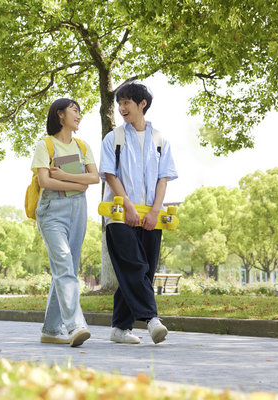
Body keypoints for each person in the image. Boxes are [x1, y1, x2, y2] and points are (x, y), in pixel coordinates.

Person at [99, 81, 178, 344]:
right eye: (119, 103)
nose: (122, 108)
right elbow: (109, 175)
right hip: (120, 215)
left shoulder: (160, 140)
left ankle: (120, 328)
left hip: (151, 217)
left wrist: (156, 211)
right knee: (134, 265)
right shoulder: (114, 139)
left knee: (142, 272)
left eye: (126, 103)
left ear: (142, 104)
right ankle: (152, 319)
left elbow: (163, 179)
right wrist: (128, 206)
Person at [31, 98, 100, 347]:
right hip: (52, 212)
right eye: (74, 110)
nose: (79, 115)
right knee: (64, 264)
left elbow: (94, 178)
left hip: (78, 211)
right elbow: (45, 182)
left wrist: (67, 176)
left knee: (66, 268)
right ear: (60, 115)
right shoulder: (45, 145)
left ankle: (50, 329)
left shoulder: (83, 147)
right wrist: (78, 183)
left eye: (80, 112)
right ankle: (75, 326)